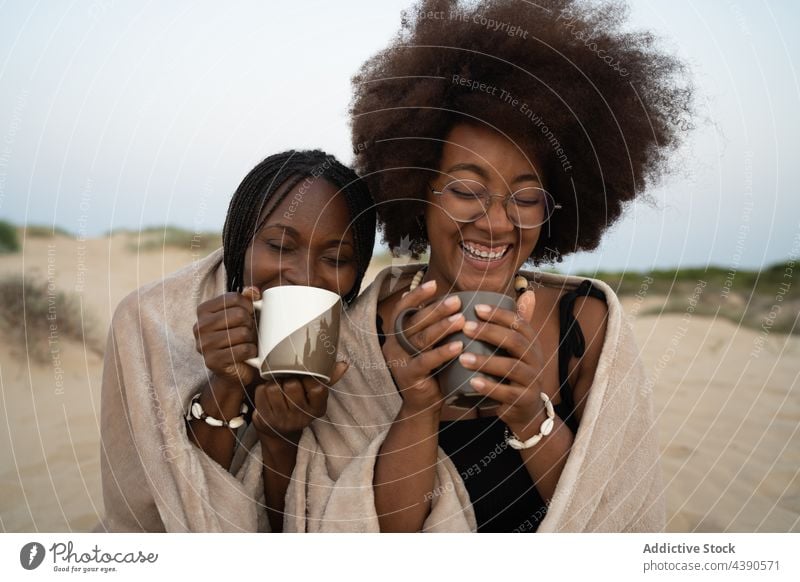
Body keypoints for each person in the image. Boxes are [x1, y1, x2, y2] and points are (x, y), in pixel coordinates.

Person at [281, 0, 693, 532]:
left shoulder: (585, 326)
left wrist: (530, 416)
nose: (496, 224)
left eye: (525, 198)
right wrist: (418, 409)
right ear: (416, 188)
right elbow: (359, 535)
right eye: (466, 190)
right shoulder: (363, 333)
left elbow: (616, 521)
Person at [96, 150, 375, 532]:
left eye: (336, 258)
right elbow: (153, 516)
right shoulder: (148, 320)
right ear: (240, 243)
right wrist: (225, 383)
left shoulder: (360, 345)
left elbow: (325, 530)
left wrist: (281, 440)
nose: (304, 276)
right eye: (279, 247)